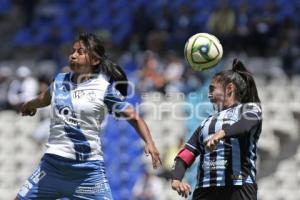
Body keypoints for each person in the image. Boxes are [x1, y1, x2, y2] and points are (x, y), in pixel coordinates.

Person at [15, 32, 161, 200]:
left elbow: (134, 117)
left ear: (95, 60)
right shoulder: (60, 80)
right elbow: (44, 98)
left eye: (80, 52)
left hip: (87, 172)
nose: (73, 55)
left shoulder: (103, 88)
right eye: (73, 51)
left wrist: (150, 142)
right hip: (51, 168)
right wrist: (29, 105)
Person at [171, 58, 262, 200]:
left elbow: (244, 126)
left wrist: (222, 133)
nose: (209, 94)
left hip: (238, 187)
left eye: (212, 88)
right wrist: (176, 178)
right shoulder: (205, 123)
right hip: (205, 190)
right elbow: (187, 152)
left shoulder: (249, 109)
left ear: (229, 88)